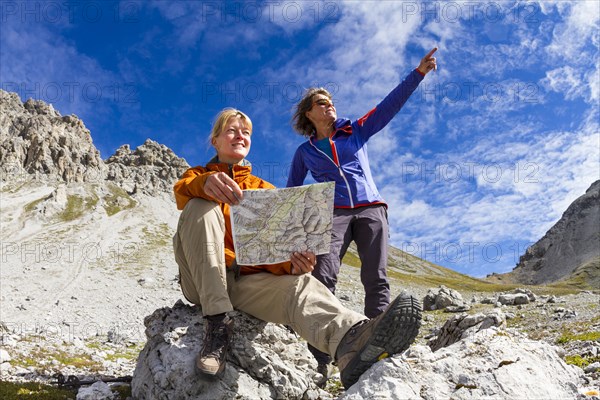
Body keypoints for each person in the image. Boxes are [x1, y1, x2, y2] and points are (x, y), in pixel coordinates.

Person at [172, 108, 422, 389]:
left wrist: (292, 264)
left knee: (300, 284)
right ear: (215, 141)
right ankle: (217, 326)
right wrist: (204, 183)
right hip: (201, 281)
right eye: (231, 130)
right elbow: (181, 191)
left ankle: (351, 340)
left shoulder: (263, 190)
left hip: (245, 284)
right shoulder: (196, 176)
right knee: (200, 205)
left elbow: (269, 249)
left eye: (245, 132)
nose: (239, 135)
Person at [287, 48, 437, 373]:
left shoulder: (354, 130)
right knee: (322, 276)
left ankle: (379, 344)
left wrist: (418, 73)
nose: (330, 105)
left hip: (371, 209)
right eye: (322, 103)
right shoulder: (305, 151)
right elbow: (293, 192)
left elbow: (387, 108)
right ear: (309, 114)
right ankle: (320, 356)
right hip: (332, 215)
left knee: (376, 278)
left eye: (331, 101)